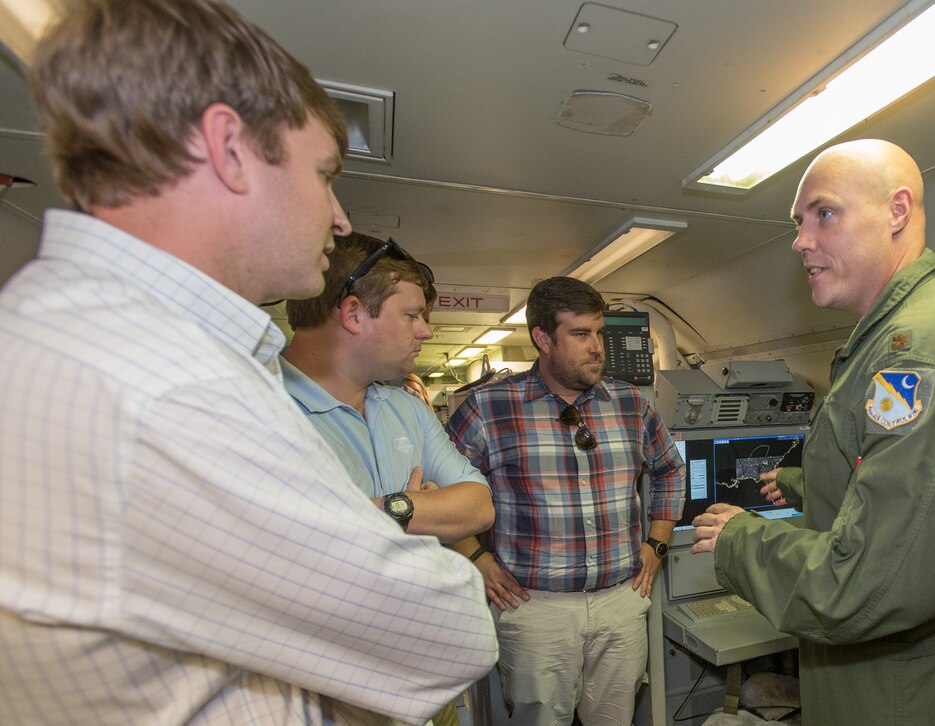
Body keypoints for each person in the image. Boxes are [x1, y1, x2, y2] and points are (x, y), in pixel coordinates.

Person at [0, 1, 496, 724]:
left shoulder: (77, 336)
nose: (339, 217)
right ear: (229, 149)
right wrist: (423, 543)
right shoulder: (162, 384)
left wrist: (381, 528)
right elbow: (447, 633)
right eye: (323, 174)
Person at [691, 139, 935, 725]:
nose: (801, 240)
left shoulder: (918, 357)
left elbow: (877, 582)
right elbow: (888, 483)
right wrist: (801, 483)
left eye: (824, 213)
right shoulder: (889, 340)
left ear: (897, 212)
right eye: (799, 223)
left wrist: (738, 539)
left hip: (911, 700)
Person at [446, 276, 686, 726]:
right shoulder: (488, 407)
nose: (597, 346)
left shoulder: (630, 403)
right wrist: (475, 556)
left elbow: (671, 470)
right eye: (580, 334)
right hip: (536, 609)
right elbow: (439, 497)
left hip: (621, 599)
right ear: (543, 339)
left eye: (600, 333)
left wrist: (657, 545)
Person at [282, 232, 494, 543]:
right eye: (412, 316)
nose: (426, 332)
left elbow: (478, 505)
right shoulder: (256, 406)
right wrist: (424, 511)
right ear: (354, 314)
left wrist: (396, 510)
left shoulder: (407, 408)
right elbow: (292, 536)